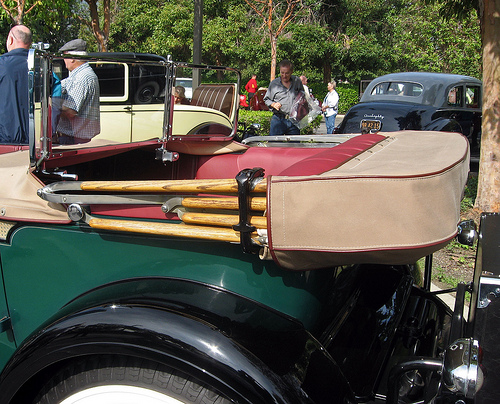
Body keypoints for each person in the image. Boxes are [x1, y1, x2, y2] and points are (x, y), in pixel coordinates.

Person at [55, 39, 100, 144]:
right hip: (74, 137)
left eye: (64, 56)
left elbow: (70, 111)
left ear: (71, 58)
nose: (63, 60)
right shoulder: (79, 75)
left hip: (73, 139)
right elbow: (59, 85)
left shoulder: (81, 78)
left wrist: (52, 107)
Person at [0, 25, 32, 143]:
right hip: (37, 140)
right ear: (30, 42)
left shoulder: (2, 65)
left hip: (5, 140)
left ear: (10, 40)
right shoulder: (44, 68)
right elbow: (56, 101)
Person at [264, 60, 303, 136]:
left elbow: (302, 96)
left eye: (287, 73)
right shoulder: (274, 84)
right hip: (278, 119)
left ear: (291, 71)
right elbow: (266, 99)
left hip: (294, 120)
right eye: (282, 73)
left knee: (295, 146)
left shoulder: (297, 81)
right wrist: (273, 104)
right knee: (275, 146)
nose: (284, 75)